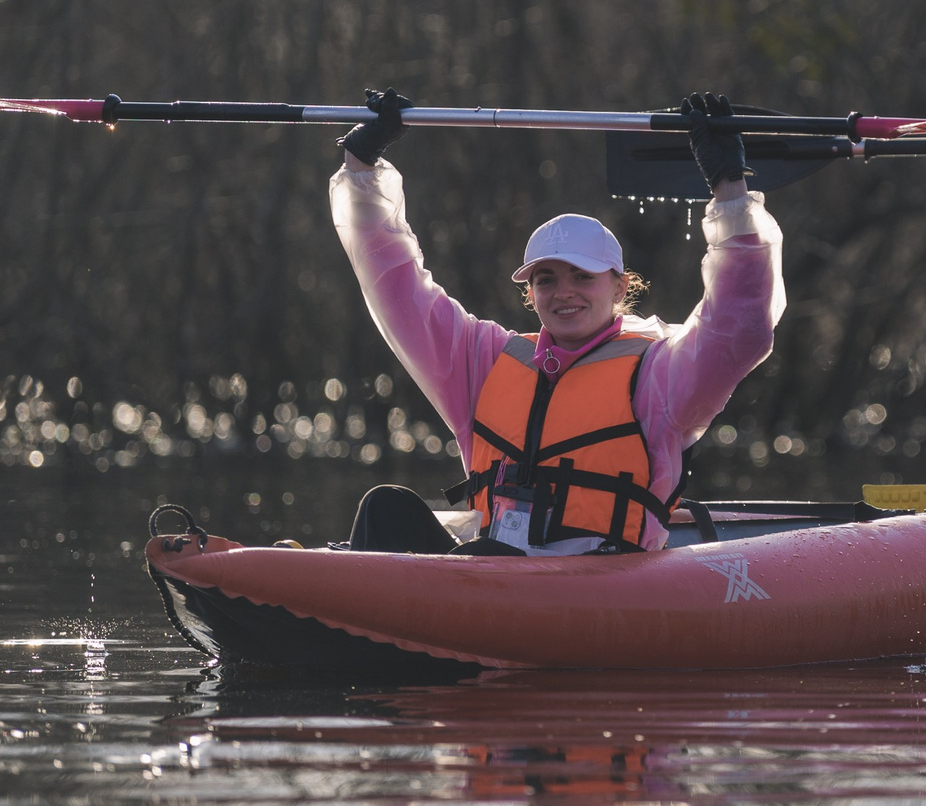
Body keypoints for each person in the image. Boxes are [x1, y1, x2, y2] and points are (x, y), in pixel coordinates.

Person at [329, 89, 784, 555]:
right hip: (491, 567)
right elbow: (396, 286)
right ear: (530, 294)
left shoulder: (660, 374)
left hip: (598, 576)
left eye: (582, 277)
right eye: (546, 279)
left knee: (485, 556)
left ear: (619, 288)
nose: (563, 292)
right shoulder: (483, 361)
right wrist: (361, 167)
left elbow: (740, 325)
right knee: (385, 506)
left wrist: (730, 190)